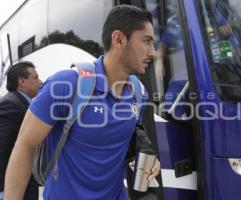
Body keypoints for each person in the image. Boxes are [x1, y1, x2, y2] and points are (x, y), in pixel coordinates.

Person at [4, 5, 160, 200]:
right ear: (119, 39)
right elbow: (25, 145)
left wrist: (145, 160)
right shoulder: (66, 85)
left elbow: (122, 145)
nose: (153, 53)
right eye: (146, 41)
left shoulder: (138, 92)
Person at [0, 62, 42, 200]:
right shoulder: (11, 105)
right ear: (22, 81)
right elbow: (3, 150)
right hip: (13, 187)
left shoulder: (19, 103)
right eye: (35, 78)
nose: (40, 82)